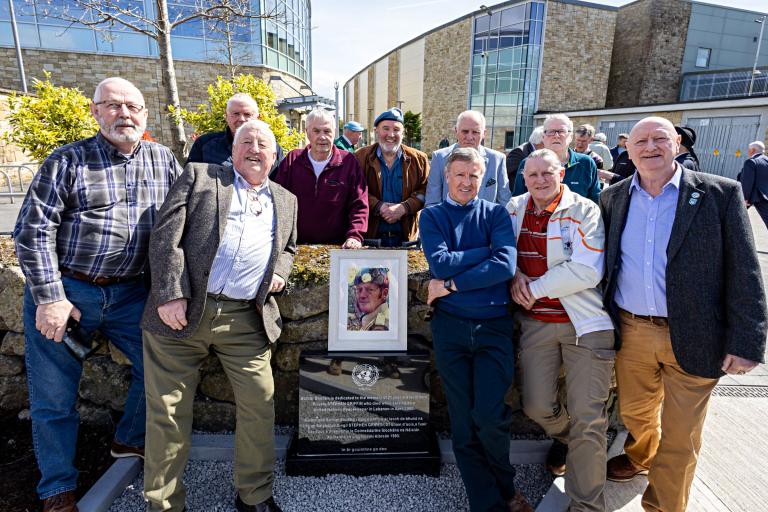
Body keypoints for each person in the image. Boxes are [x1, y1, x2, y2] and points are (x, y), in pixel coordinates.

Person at [13, 77, 182, 512]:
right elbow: (32, 232)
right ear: (95, 111)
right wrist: (50, 297)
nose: (124, 114)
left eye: (133, 106)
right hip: (68, 292)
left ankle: (128, 439)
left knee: (161, 368)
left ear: (145, 114)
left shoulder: (163, 160)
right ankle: (57, 488)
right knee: (54, 398)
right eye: (113, 105)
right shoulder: (67, 161)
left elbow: (182, 223)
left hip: (131, 294)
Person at [600, 116, 767, 512]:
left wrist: (746, 342)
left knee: (681, 437)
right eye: (640, 141)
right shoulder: (613, 197)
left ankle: (663, 506)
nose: (650, 147)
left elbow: (744, 270)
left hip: (696, 334)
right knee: (635, 414)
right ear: (628, 150)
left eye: (659, 139)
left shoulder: (719, 193)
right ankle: (641, 455)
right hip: (632, 331)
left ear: (677, 143)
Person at [141, 120, 297, 512]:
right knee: (167, 412)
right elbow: (165, 237)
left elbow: (290, 248)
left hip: (245, 318)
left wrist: (279, 272)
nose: (254, 148)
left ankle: (254, 495)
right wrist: (171, 294)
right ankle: (163, 504)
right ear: (233, 149)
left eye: (263, 143)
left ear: (275, 156)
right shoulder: (200, 176)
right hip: (182, 312)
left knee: (260, 402)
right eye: (247, 141)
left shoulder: (286, 199)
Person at [419, 147, 533, 512]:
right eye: (460, 174)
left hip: (492, 326)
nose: (467, 182)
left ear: (483, 178)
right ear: (447, 176)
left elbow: (505, 267)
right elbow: (440, 263)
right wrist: (486, 251)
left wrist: (453, 283)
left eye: (474, 175)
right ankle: (489, 505)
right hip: (450, 329)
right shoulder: (432, 215)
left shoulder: (496, 213)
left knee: (489, 416)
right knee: (464, 423)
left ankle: (506, 487)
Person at [508, 149, 614, 512]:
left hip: (585, 324)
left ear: (562, 174)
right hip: (537, 323)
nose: (540, 180)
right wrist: (514, 275)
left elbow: (587, 270)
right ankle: (580, 444)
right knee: (537, 406)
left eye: (547, 173)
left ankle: (586, 505)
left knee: (589, 420)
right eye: (532, 174)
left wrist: (533, 289)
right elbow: (500, 252)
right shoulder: (514, 209)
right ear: (523, 178)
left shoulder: (584, 210)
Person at [274, 108, 368, 248]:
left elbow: (359, 203)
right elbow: (278, 201)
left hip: (338, 247)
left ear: (334, 132)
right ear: (307, 132)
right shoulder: (292, 160)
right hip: (295, 245)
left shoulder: (349, 162)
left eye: (327, 131)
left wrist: (355, 235)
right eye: (316, 131)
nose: (322, 137)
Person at [355, 107, 429, 247]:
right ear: (376, 131)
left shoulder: (419, 159)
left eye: (396, 129)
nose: (391, 134)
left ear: (403, 133)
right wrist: (379, 206)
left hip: (407, 240)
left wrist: (405, 207)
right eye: (386, 129)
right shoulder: (360, 157)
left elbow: (426, 190)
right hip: (370, 239)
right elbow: (355, 189)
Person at [425, 110, 510, 207]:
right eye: (465, 131)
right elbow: (432, 202)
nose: (470, 137)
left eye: (475, 132)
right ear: (456, 131)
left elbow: (504, 203)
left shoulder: (497, 160)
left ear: (484, 133)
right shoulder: (439, 158)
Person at [186, 93, 284, 176]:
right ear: (226, 116)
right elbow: (189, 180)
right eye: (236, 114)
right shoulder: (204, 144)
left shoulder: (272, 148)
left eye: (247, 114)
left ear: (257, 117)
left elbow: (278, 185)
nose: (241, 119)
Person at [512, 114, 600, 203]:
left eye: (562, 131)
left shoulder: (586, 163)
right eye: (551, 131)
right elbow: (518, 202)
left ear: (571, 136)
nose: (556, 136)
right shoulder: (528, 163)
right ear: (543, 137)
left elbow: (595, 201)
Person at [739, 141, 768, 228]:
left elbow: (747, 181)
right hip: (764, 195)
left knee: (735, 214)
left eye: (748, 149)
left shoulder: (751, 162)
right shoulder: (766, 160)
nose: (748, 151)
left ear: (753, 150)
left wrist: (744, 198)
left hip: (757, 196)